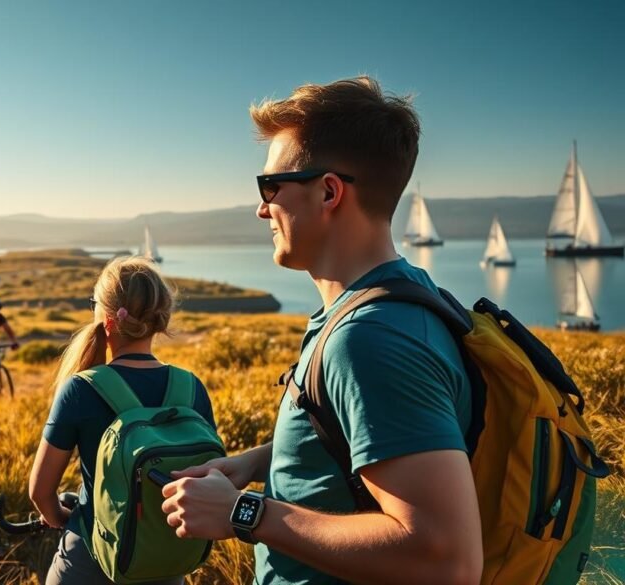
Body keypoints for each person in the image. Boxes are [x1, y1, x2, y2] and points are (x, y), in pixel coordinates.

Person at [160, 77, 483, 584]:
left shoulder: (372, 338)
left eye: (271, 187)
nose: (261, 208)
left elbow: (446, 561)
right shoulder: (396, 299)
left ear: (329, 191)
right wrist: (264, 461)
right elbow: (369, 436)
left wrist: (244, 513)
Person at [29, 257, 217, 585]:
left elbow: (40, 492)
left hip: (91, 561)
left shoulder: (81, 388)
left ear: (106, 318)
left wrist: (62, 518)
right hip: (167, 566)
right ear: (161, 317)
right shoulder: (191, 388)